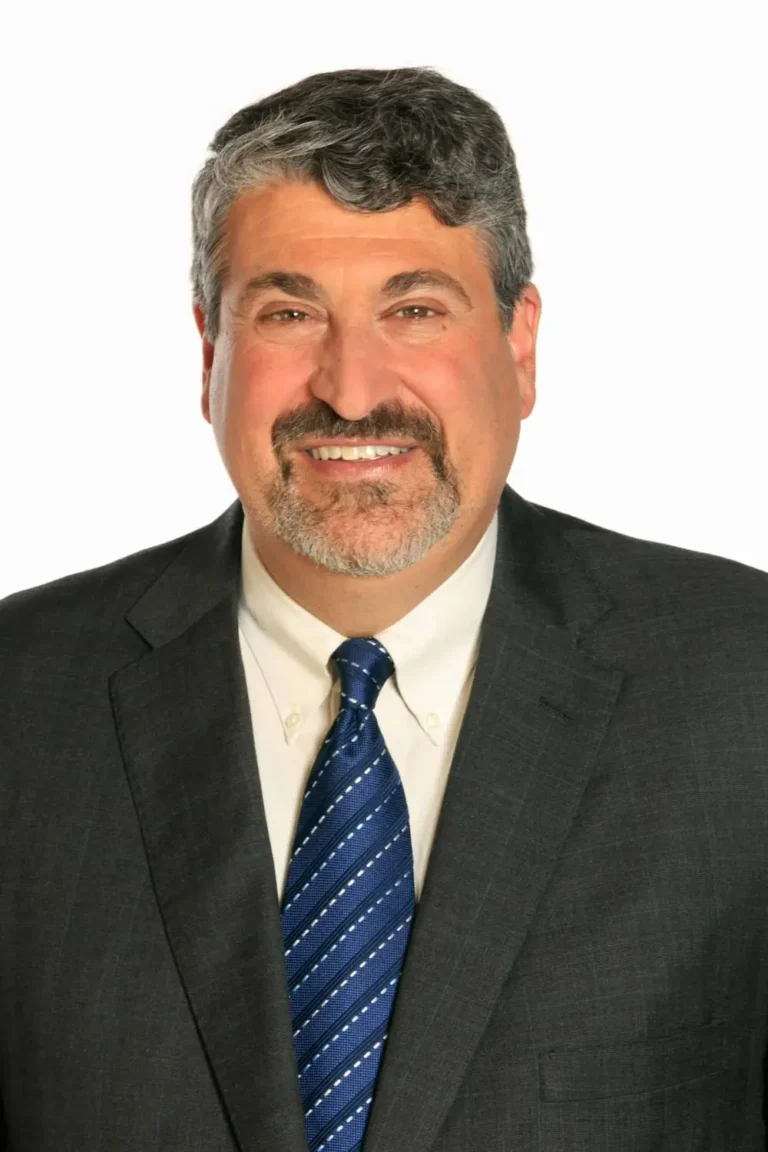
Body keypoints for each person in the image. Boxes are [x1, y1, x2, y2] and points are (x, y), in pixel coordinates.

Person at [1, 64, 767, 1152]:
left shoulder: (748, 688)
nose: (352, 389)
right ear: (210, 350)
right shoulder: (19, 704)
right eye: (286, 311)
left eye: (414, 309)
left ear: (518, 342)